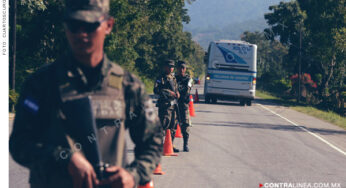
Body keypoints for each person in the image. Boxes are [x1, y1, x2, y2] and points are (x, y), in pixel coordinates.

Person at [9, 0, 162, 187]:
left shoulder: (127, 86)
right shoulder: (41, 84)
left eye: (89, 26)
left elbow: (152, 141)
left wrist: (134, 174)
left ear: (108, 25)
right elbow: (20, 143)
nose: (81, 34)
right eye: (74, 25)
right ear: (65, 27)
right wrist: (64, 158)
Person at [153, 60, 180, 152]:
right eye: (169, 66)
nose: (171, 68)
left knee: (173, 125)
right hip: (165, 105)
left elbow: (175, 88)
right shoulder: (161, 78)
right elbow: (156, 90)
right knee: (163, 124)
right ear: (165, 67)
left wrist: (177, 92)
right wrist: (169, 92)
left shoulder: (173, 77)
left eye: (172, 67)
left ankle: (170, 145)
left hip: (174, 105)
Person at [175, 60, 193, 152]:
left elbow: (187, 91)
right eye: (179, 68)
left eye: (183, 68)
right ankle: (170, 144)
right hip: (174, 104)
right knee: (173, 124)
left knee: (185, 125)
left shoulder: (188, 79)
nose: (181, 70)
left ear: (185, 69)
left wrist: (178, 94)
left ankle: (185, 144)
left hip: (183, 104)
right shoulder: (173, 78)